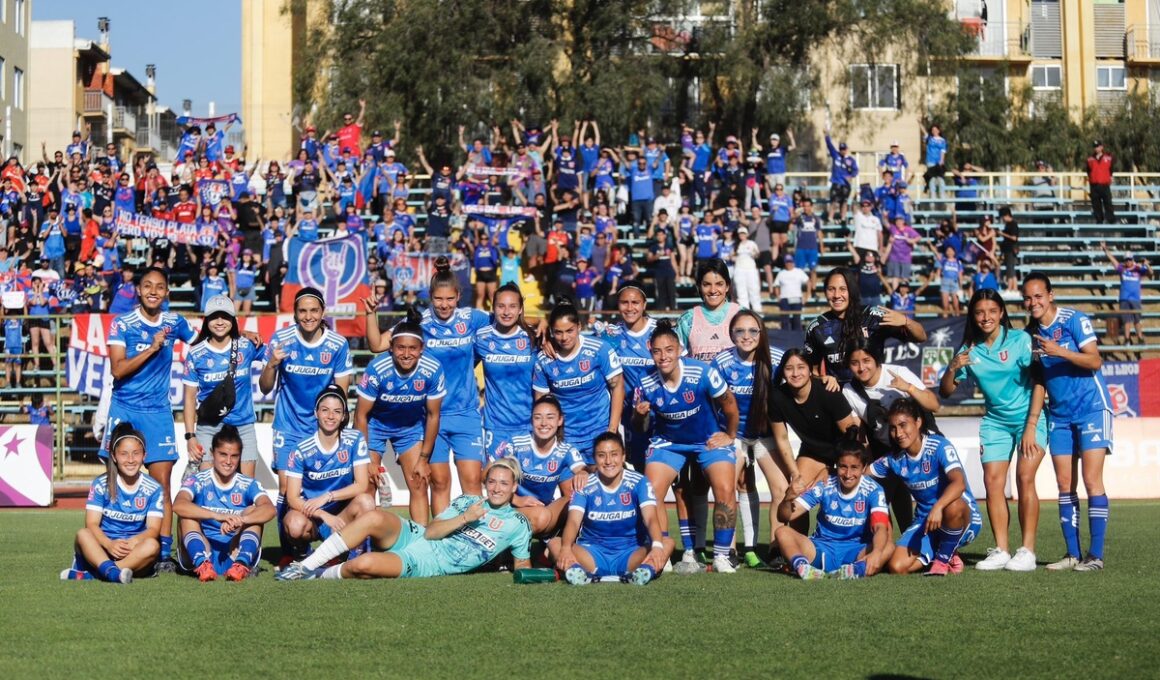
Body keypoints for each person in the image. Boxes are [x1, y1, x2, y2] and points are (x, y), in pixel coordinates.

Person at [368, 258, 491, 514]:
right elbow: (378, 344)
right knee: (438, 482)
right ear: (430, 298)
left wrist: (539, 329)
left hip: (466, 415)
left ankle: (480, 548)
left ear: (458, 296)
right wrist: (371, 313)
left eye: (449, 299)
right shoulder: (420, 322)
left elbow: (506, 318)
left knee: (472, 482)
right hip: (430, 418)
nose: (444, 305)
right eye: (438, 299)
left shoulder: (472, 318)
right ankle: (442, 544)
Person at [276, 458, 533, 581]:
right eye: (492, 482)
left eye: (504, 484)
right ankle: (304, 566)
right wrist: (466, 517)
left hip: (429, 562)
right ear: (486, 484)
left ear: (513, 488)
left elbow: (523, 565)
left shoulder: (518, 525)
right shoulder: (469, 502)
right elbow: (431, 531)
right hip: (418, 535)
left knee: (362, 565)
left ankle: (315, 575)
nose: (497, 488)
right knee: (374, 517)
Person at [940, 289, 1047, 572]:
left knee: (1024, 478)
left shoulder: (1020, 340)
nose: (985, 317)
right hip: (995, 422)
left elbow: (1039, 381)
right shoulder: (969, 350)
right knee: (992, 482)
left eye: (991, 311)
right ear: (973, 317)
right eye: (979, 312)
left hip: (1029, 419)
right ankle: (1001, 550)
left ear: (1001, 313)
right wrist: (952, 368)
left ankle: (1027, 551)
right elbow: (946, 391)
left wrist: (1031, 426)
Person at [102, 267, 196, 572]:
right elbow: (117, 369)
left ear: (167, 292)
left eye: (160, 287)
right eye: (147, 286)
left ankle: (163, 555)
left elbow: (206, 338)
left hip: (158, 413)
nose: (153, 291)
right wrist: (152, 349)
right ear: (138, 291)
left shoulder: (174, 322)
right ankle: (105, 546)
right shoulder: (122, 323)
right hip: (125, 409)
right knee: (113, 483)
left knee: (163, 486)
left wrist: (239, 334)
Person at [634, 320, 740, 573]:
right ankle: (661, 551)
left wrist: (729, 434)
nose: (663, 356)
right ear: (650, 350)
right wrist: (639, 415)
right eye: (657, 351)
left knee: (725, 487)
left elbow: (730, 405)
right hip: (669, 444)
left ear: (679, 349)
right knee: (649, 491)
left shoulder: (701, 372)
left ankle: (722, 556)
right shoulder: (644, 381)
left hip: (707, 440)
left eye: (669, 350)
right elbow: (639, 427)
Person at [1022, 272, 1111, 572]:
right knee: (1063, 484)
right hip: (1059, 415)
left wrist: (1060, 351)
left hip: (1092, 409)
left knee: (1091, 480)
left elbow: (1095, 360)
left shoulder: (1074, 319)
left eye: (1038, 296)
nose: (1033, 302)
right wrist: (1032, 422)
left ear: (1050, 295)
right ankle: (1072, 554)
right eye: (1028, 297)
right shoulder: (1031, 335)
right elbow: (1039, 382)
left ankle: (1095, 556)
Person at [260, 286, 353, 563]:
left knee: (323, 489)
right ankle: (290, 552)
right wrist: (272, 364)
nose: (308, 316)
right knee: (287, 489)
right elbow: (265, 388)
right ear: (295, 313)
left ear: (323, 312)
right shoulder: (282, 339)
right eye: (303, 311)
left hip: (321, 428)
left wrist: (335, 427)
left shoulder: (337, 344)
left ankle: (331, 547)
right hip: (288, 428)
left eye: (314, 310)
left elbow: (341, 392)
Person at [712, 310, 794, 567]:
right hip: (733, 435)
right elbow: (710, 399)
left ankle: (776, 547)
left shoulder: (778, 358)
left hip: (766, 435)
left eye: (753, 331)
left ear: (762, 333)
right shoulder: (721, 361)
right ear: (731, 334)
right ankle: (728, 550)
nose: (746, 336)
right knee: (726, 491)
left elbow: (801, 380)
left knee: (781, 489)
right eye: (740, 331)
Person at [872, 398, 982, 576]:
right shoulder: (894, 459)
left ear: (918, 422)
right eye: (893, 428)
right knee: (897, 567)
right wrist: (828, 473)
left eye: (903, 425)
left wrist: (938, 507)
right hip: (926, 521)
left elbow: (959, 483)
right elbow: (859, 472)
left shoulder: (939, 445)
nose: (898, 433)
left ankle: (942, 559)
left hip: (961, 517)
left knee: (953, 506)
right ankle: (944, 552)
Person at [355, 308, 445, 524]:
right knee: (368, 484)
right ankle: (364, 543)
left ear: (422, 348)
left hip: (409, 428)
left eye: (412, 348)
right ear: (391, 348)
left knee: (419, 481)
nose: (406, 354)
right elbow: (360, 417)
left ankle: (420, 544)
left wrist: (424, 459)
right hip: (374, 425)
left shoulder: (433, 369)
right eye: (400, 348)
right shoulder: (377, 368)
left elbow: (433, 416)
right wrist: (366, 459)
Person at [549, 432, 674, 585]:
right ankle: (576, 571)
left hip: (630, 553)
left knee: (666, 542)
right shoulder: (584, 484)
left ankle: (645, 570)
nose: (608, 461)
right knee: (555, 543)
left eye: (614, 454)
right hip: (592, 554)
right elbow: (574, 522)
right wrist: (567, 548)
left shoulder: (639, 482)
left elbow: (650, 518)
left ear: (623, 456)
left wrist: (656, 546)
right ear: (595, 459)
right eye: (602, 455)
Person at [775, 438, 892, 579]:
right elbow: (784, 517)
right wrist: (788, 499)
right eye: (843, 467)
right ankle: (804, 568)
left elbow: (880, 527)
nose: (848, 474)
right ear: (837, 465)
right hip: (821, 549)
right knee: (782, 532)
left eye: (854, 467)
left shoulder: (874, 490)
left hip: (856, 551)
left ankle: (855, 570)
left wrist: (877, 553)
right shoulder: (825, 485)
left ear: (863, 467)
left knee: (888, 547)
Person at [282, 385, 376, 558]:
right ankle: (306, 554)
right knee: (294, 525)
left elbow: (362, 485)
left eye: (337, 411)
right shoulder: (300, 450)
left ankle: (354, 553)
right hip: (312, 515)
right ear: (316, 412)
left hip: (343, 515)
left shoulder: (355, 439)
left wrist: (327, 497)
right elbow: (292, 498)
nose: (331, 416)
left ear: (343, 416)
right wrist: (324, 514)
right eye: (325, 410)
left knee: (366, 502)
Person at [61, 422, 161, 583]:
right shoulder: (101, 484)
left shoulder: (154, 488)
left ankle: (99, 574)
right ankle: (113, 572)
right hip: (101, 548)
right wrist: (109, 544)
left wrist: (132, 542)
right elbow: (91, 524)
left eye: (136, 453)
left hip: (131, 551)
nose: (130, 459)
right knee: (83, 534)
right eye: (124, 454)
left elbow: (154, 529)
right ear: (114, 456)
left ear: (144, 456)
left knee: (152, 545)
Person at [172, 425, 275, 581]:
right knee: (187, 514)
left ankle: (241, 564)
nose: (228, 461)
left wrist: (242, 519)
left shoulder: (248, 484)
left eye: (234, 456)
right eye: (223, 454)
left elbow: (270, 509)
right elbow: (178, 505)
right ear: (212, 453)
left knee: (253, 511)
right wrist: (218, 515)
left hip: (234, 550)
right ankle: (203, 565)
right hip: (202, 548)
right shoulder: (198, 480)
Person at [181, 295, 263, 478]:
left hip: (244, 424)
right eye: (214, 317)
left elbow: (274, 357)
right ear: (206, 320)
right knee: (207, 486)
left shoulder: (247, 346)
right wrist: (190, 436)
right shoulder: (196, 354)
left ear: (233, 320)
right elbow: (189, 397)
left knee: (246, 486)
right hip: (209, 426)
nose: (219, 322)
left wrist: (245, 333)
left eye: (225, 317)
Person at [533, 302, 624, 466]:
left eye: (569, 331)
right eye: (558, 332)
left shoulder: (599, 349)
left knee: (602, 487)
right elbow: (541, 401)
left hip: (599, 430)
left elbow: (617, 386)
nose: (564, 337)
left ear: (579, 327)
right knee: (573, 489)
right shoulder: (543, 360)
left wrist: (612, 429)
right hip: (566, 437)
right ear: (552, 332)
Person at [804, 267, 926, 386]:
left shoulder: (873, 316)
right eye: (831, 289)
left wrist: (906, 321)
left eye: (843, 289)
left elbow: (921, 337)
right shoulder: (817, 327)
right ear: (825, 291)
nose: (836, 295)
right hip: (839, 399)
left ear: (852, 290)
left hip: (875, 396)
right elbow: (811, 371)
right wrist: (822, 379)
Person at [768, 349, 858, 503]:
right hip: (813, 453)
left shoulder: (828, 391)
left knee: (852, 497)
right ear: (782, 372)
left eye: (801, 367)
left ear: (810, 370)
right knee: (795, 496)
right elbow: (782, 439)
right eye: (789, 368)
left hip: (845, 451)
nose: (795, 373)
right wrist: (795, 474)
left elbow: (852, 434)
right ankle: (793, 529)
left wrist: (831, 469)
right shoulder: (776, 397)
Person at [591, 285, 657, 470]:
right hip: (627, 415)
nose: (630, 308)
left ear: (644, 304)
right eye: (624, 303)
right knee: (636, 466)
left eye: (635, 302)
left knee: (660, 472)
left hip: (658, 413)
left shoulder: (659, 331)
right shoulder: (610, 334)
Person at [502, 396, 584, 535]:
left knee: (575, 502)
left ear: (560, 420)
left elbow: (583, 470)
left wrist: (583, 473)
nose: (544, 423)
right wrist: (517, 499)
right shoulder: (517, 443)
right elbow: (491, 475)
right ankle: (505, 541)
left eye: (550, 417)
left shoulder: (566, 450)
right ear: (531, 420)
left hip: (545, 509)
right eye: (538, 417)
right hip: (511, 506)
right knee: (541, 516)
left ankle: (555, 539)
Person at [474, 284, 537, 462]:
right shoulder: (482, 337)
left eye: (512, 306)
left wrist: (544, 323)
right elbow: (463, 367)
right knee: (496, 485)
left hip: (529, 426)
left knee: (525, 488)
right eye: (501, 306)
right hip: (495, 427)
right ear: (493, 308)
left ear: (520, 309)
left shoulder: (534, 337)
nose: (507, 312)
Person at [1100, 242, 1150, 346]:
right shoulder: (1122, 269)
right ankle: (1127, 340)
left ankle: (1140, 339)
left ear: (1133, 260)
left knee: (1137, 320)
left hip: (1135, 299)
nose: (1128, 261)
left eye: (1130, 259)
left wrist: (1146, 264)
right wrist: (1105, 250)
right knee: (1126, 320)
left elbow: (1151, 273)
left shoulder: (1138, 270)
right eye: (1126, 259)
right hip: (1124, 298)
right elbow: (1113, 260)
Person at [773, 254, 809, 331]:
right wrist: (778, 297)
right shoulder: (781, 273)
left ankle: (797, 338)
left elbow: (808, 282)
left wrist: (807, 296)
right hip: (784, 298)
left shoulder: (799, 271)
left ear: (793, 262)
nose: (789, 263)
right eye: (787, 262)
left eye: (790, 261)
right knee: (784, 320)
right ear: (785, 263)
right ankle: (785, 338)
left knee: (797, 320)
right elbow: (776, 285)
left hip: (796, 298)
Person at [1086, 141, 1115, 225]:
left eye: (1098, 146)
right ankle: (1099, 220)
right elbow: (1088, 171)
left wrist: (1110, 177)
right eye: (1095, 147)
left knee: (1108, 203)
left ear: (1101, 147)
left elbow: (1111, 169)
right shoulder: (1090, 159)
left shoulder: (1108, 158)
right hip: (1094, 185)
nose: (1096, 148)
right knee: (1096, 204)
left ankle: (1111, 220)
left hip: (1105, 184)